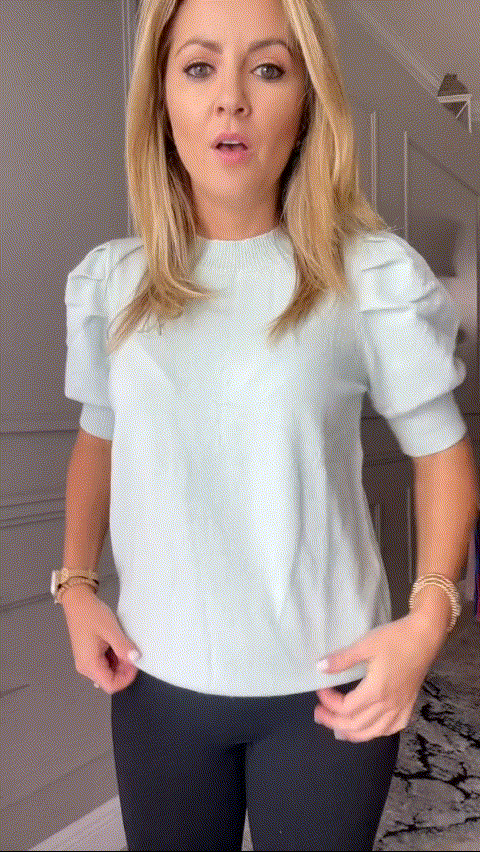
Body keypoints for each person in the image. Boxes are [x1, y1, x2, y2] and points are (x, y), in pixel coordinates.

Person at [56, 0, 479, 849]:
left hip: (327, 690)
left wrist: (428, 620)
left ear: (307, 102)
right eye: (199, 66)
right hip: (154, 682)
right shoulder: (111, 284)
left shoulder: (370, 277)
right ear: (161, 101)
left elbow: (442, 453)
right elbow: (99, 438)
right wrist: (75, 585)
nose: (232, 98)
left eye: (269, 68)